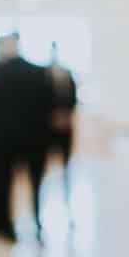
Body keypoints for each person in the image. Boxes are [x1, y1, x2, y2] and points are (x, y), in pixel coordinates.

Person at [0, 33, 53, 241]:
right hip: (35, 138)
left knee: (3, 183)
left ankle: (5, 227)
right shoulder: (38, 72)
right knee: (36, 183)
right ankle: (38, 222)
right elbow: (48, 104)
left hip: (3, 140)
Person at [46, 41, 79, 199]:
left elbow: (73, 98)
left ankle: (66, 187)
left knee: (65, 159)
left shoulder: (67, 74)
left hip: (65, 124)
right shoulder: (44, 74)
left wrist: (65, 116)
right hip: (49, 125)